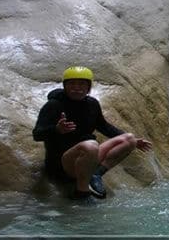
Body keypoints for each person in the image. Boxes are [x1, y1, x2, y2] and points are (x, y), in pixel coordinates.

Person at [32, 66, 153, 200]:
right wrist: (56, 130)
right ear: (65, 86)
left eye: (81, 84)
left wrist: (135, 142)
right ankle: (82, 192)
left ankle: (96, 174)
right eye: (72, 84)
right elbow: (37, 134)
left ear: (89, 87)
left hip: (89, 156)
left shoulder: (92, 104)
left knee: (129, 139)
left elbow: (104, 126)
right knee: (90, 145)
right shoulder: (54, 105)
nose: (76, 88)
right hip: (63, 164)